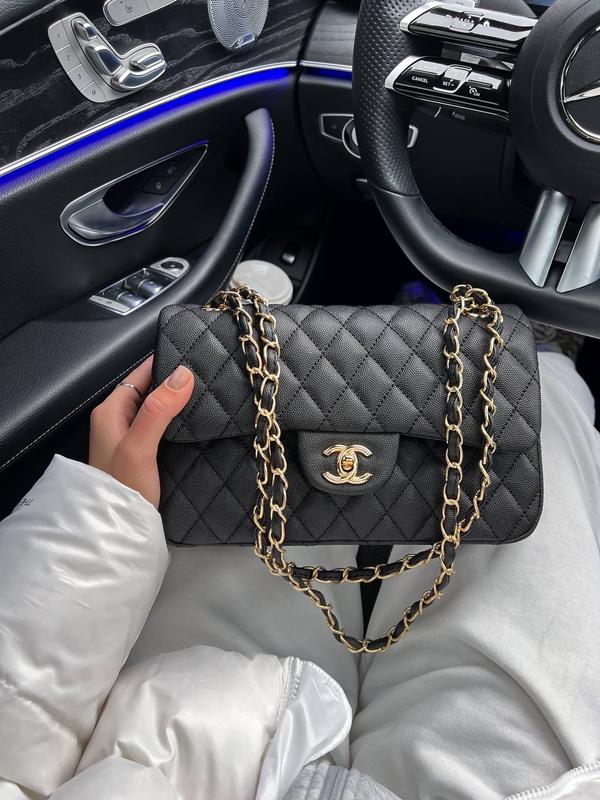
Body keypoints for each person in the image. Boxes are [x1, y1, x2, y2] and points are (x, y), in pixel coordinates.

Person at [1, 347, 600, 800]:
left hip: (195, 737)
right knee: (533, 395)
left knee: (256, 407)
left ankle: (274, 336)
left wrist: (109, 517)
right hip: (511, 786)